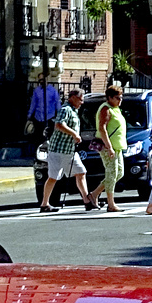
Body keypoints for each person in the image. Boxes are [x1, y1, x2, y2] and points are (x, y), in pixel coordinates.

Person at [39, 89, 95, 213]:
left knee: (81, 172)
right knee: (53, 177)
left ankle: (87, 201)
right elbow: (59, 124)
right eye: (80, 99)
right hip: (58, 150)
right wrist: (74, 134)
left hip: (70, 151)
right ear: (73, 97)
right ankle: (45, 204)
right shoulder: (65, 110)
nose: (82, 102)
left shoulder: (74, 111)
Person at [88, 84, 127, 212]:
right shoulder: (106, 108)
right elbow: (102, 128)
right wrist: (109, 147)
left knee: (119, 173)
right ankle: (111, 203)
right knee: (111, 174)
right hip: (108, 147)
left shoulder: (116, 109)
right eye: (117, 97)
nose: (120, 100)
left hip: (117, 147)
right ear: (109, 97)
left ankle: (94, 194)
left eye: (121, 97)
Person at [27, 77, 61, 142]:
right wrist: (29, 114)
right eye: (40, 80)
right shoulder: (37, 90)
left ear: (46, 80)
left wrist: (60, 114)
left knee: (49, 136)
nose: (41, 81)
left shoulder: (52, 90)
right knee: (38, 137)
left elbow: (57, 102)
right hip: (38, 117)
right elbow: (33, 103)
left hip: (49, 116)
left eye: (43, 79)